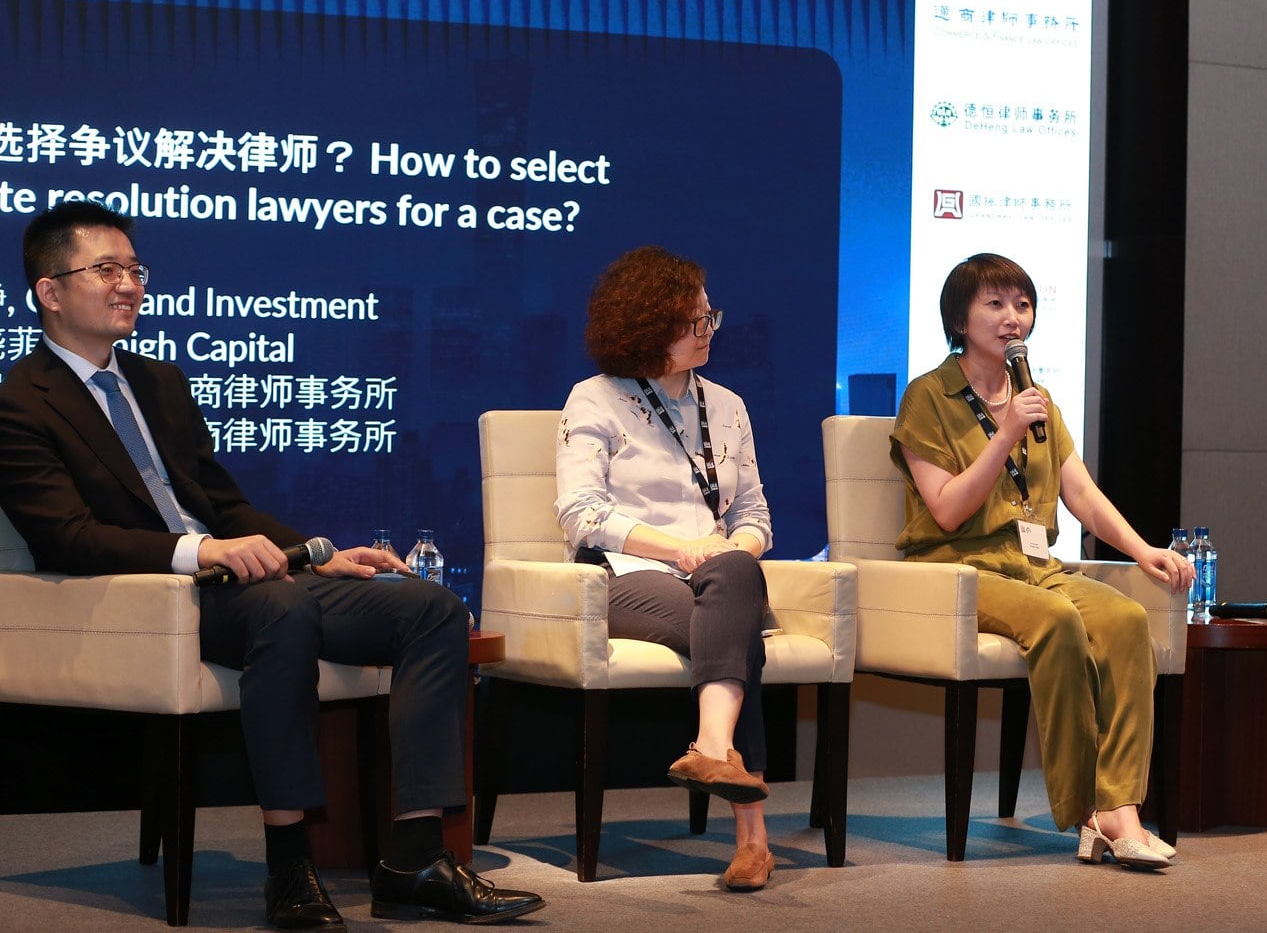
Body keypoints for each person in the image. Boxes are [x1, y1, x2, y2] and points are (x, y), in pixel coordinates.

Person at [0, 201, 544, 930]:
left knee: (429, 609)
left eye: (134, 268)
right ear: (50, 290)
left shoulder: (159, 382)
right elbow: (67, 537)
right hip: (152, 598)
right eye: (106, 269)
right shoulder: (20, 403)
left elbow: (225, 504)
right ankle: (290, 864)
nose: (128, 284)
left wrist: (319, 552)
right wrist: (201, 552)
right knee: (280, 607)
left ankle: (415, 860)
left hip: (242, 580)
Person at [890, 253, 1194, 870]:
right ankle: (1087, 808)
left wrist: (1143, 550)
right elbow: (946, 510)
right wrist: (1004, 433)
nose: (1013, 318)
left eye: (1022, 305)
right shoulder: (928, 395)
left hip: (1033, 564)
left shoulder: (1037, 399)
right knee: (1056, 621)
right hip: (957, 568)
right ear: (960, 318)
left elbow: (1081, 493)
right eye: (995, 304)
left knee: (1126, 620)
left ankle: (1120, 807)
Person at [553, 245, 777, 891]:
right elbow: (581, 513)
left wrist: (733, 547)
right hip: (625, 572)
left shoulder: (728, 404)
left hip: (715, 573)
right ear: (647, 326)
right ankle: (753, 837)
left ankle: (710, 748)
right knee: (736, 631)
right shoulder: (596, 399)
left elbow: (754, 514)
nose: (707, 330)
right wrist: (679, 550)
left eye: (710, 317)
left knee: (735, 578)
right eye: (691, 321)